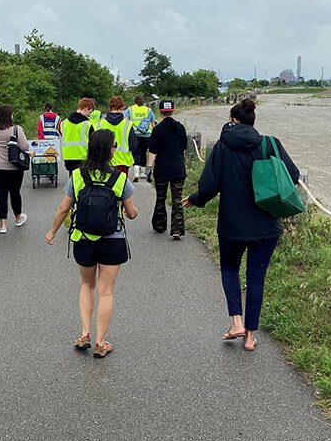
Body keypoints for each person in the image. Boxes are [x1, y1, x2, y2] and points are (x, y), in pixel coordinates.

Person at [182, 99, 300, 351]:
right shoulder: (270, 144)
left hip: (232, 224)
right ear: (252, 121)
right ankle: (249, 337)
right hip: (266, 224)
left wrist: (194, 199)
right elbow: (293, 175)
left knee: (230, 269)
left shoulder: (223, 147)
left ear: (232, 121)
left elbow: (209, 186)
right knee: (256, 278)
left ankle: (236, 322)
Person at [45, 129, 138, 358]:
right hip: (112, 240)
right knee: (106, 292)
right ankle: (100, 342)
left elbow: (63, 208)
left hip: (84, 240)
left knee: (87, 286)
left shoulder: (78, 176)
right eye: (114, 145)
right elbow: (132, 213)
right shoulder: (119, 178)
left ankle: (84, 334)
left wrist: (52, 232)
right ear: (110, 150)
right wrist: (128, 212)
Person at [0, 104, 30, 234]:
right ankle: (18, 217)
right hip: (13, 166)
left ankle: (3, 224)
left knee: (1, 193)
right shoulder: (16, 129)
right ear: (9, 116)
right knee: (15, 192)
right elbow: (25, 146)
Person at [146, 99, 187, 239]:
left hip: (162, 169)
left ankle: (159, 224)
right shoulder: (180, 128)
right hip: (178, 168)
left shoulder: (158, 129)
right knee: (177, 199)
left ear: (160, 111)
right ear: (173, 110)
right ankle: (177, 228)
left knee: (161, 197)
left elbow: (153, 150)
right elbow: (183, 147)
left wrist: (149, 168)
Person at [96, 96, 138, 177]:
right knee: (120, 188)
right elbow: (133, 146)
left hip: (104, 162)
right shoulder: (128, 124)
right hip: (123, 163)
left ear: (110, 107)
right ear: (122, 107)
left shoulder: (99, 124)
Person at [124, 95, 157, 181]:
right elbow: (153, 124)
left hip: (134, 135)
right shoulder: (148, 110)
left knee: (136, 152)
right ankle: (142, 172)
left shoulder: (130, 109)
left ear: (135, 101)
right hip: (146, 135)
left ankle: (136, 173)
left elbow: (125, 121)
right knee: (143, 152)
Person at [61, 98, 96, 177]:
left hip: (68, 157)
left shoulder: (64, 123)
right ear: (86, 108)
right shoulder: (88, 124)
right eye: (90, 112)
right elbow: (93, 143)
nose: (89, 115)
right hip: (83, 157)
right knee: (83, 183)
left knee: (73, 180)